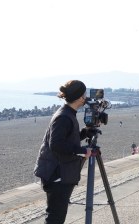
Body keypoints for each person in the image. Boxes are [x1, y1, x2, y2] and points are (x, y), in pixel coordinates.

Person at [33, 80, 92, 223]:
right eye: (84, 94)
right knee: (55, 218)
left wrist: (85, 133)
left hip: (60, 172)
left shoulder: (67, 113)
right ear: (79, 98)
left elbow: (67, 138)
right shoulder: (63, 117)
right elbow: (56, 144)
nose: (86, 98)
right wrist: (82, 150)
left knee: (56, 216)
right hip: (57, 175)